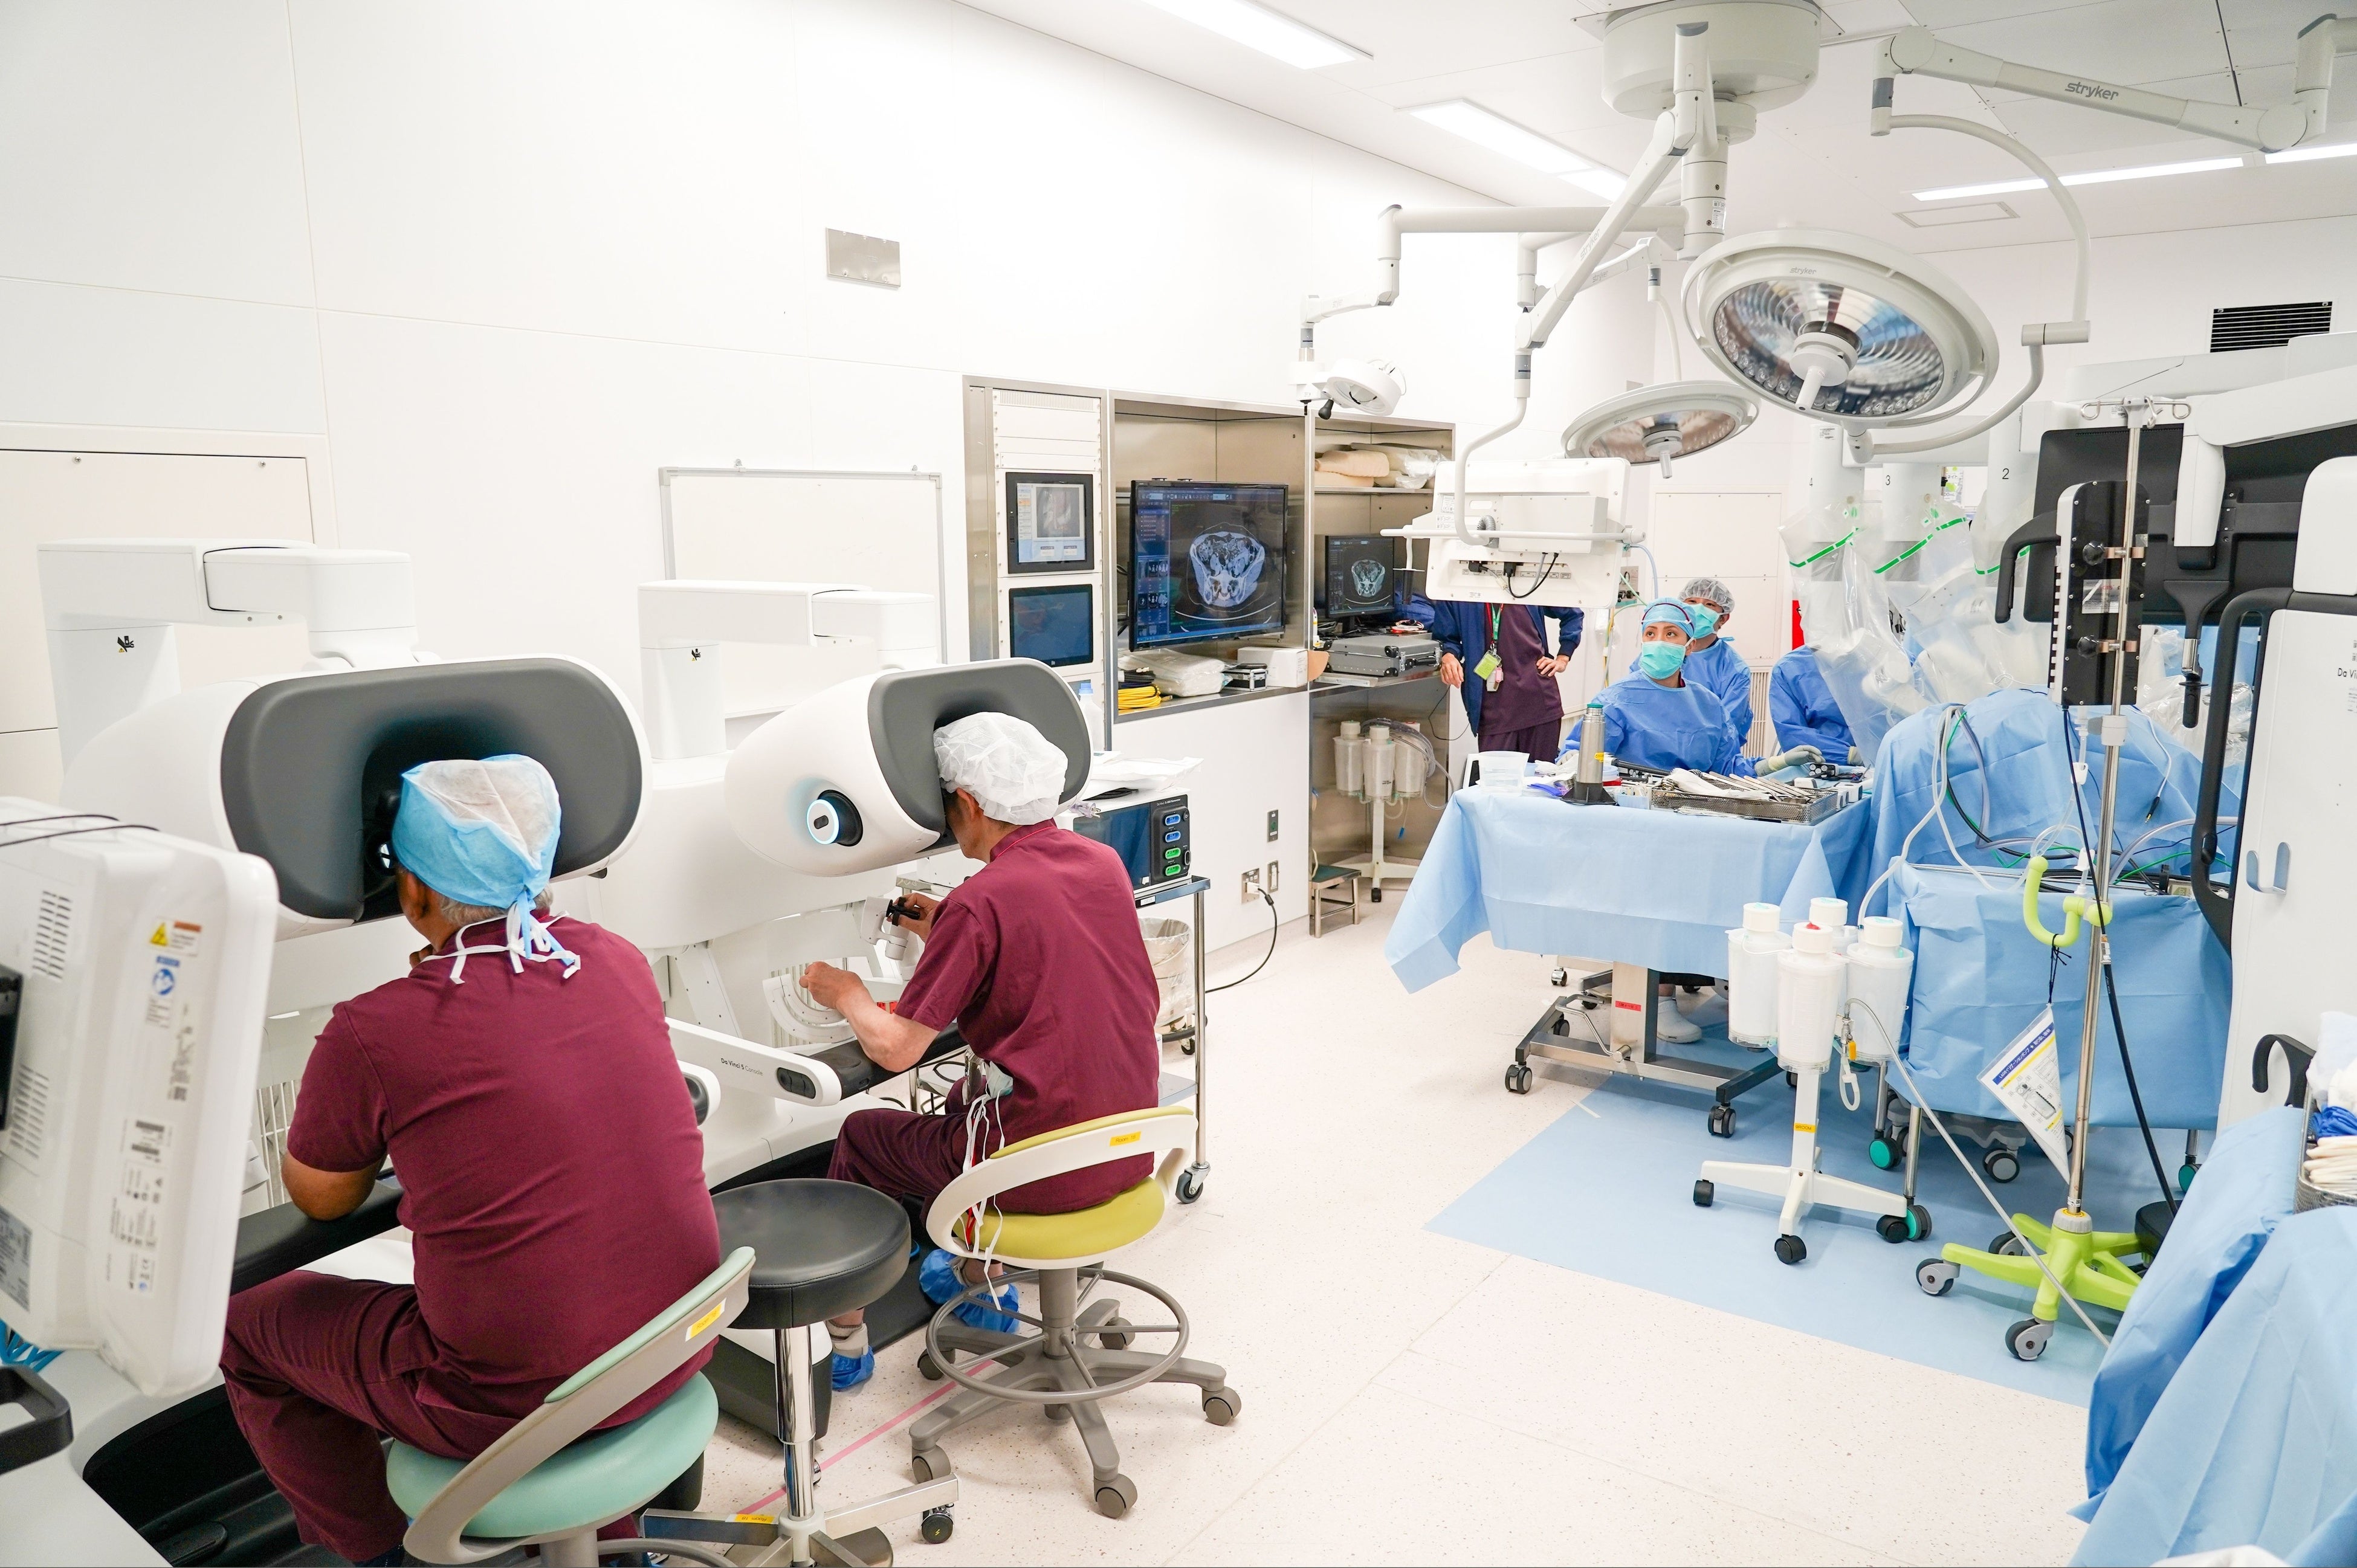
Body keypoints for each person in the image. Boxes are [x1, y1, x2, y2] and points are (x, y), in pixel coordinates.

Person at [219, 756, 719, 1568]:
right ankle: (612, 1544)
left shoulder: (375, 1028)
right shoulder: (616, 956)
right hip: (675, 1345)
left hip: (514, 1403)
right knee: (575, 1293)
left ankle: (383, 1554)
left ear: (413, 892)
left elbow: (321, 1196)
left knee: (246, 1323)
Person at [798, 712, 1161, 1391]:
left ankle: (844, 1340)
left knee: (863, 1135)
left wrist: (845, 992)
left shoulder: (980, 901)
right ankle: (978, 1276)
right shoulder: (1100, 862)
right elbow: (1047, 942)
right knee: (964, 1102)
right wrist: (948, 926)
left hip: (1041, 1171)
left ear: (966, 802)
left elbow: (897, 1050)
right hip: (1127, 1143)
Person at [1425, 598, 1585, 761]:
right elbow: (1447, 638)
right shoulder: (1458, 589)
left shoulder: (1528, 586)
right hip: (1492, 708)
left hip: (1540, 702)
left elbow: (1573, 615)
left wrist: (1563, 657)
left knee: (1539, 776)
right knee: (1496, 776)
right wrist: (1449, 655)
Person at [1631, 576, 1752, 755]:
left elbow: (1728, 730)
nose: (1699, 609)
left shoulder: (1734, 669)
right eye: (1692, 602)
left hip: (1702, 756)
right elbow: (1632, 706)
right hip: (1648, 751)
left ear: (1723, 618)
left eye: (1709, 605)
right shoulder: (1656, 654)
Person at [1768, 643, 1858, 761]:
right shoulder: (1790, 668)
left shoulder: (1874, 658)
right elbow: (1793, 734)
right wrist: (1850, 755)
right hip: (1822, 764)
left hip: (1877, 759)